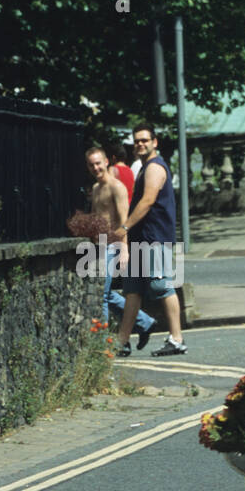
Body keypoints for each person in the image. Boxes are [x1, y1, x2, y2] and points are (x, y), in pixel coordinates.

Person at [117, 124, 187, 357]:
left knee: (162, 285)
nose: (140, 144)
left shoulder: (155, 168)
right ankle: (122, 342)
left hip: (155, 237)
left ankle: (176, 339)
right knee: (133, 290)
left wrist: (125, 226)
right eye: (137, 141)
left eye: (145, 140)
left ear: (154, 142)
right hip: (142, 238)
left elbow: (147, 201)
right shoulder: (144, 167)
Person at [86, 147, 153, 350]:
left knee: (101, 296)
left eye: (98, 163)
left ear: (107, 162)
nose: (95, 167)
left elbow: (124, 221)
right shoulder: (96, 188)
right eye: (91, 164)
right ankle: (144, 322)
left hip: (114, 245)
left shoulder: (117, 187)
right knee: (105, 293)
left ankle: (104, 345)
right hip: (98, 247)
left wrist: (124, 250)